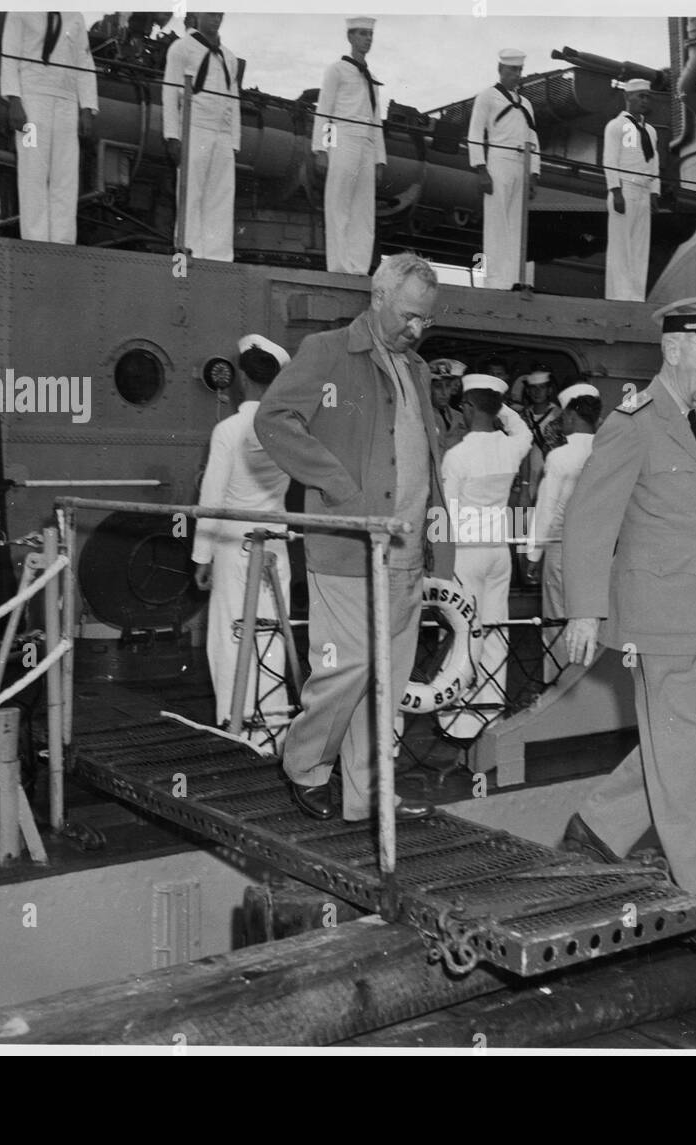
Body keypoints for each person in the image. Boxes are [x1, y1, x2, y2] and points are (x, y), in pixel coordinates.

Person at [559, 296, 696, 959]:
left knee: (680, 744)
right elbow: (589, 521)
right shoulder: (634, 424)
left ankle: (596, 828)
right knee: (687, 764)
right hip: (662, 622)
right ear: (676, 348)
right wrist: (583, 610)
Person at [254, 252, 451, 822]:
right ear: (379, 297)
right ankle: (305, 764)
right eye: (409, 316)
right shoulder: (327, 351)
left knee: (386, 683)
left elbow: (426, 454)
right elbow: (275, 419)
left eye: (426, 322)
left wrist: (439, 520)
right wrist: (338, 485)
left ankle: (367, 798)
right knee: (346, 669)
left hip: (407, 554)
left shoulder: (415, 368)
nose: (416, 330)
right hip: (347, 549)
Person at [193, 335, 293, 747]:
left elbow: (212, 499)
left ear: (242, 381)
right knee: (271, 634)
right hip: (275, 545)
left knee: (232, 636)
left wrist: (201, 556)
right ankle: (274, 729)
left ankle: (240, 728)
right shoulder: (289, 429)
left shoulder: (229, 429)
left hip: (233, 546)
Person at [436, 375, 533, 742]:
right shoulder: (512, 447)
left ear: (467, 407)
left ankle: (457, 719)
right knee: (495, 630)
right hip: (498, 551)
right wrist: (497, 405)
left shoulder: (458, 456)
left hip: (467, 552)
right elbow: (521, 428)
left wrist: (438, 564)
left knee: (464, 630)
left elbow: (446, 513)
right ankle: (489, 714)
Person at [1, 10, 98, 244]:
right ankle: (35, 241)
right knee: (32, 173)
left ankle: (62, 243)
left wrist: (87, 107)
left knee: (65, 178)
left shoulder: (74, 15)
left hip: (66, 102)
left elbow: (84, 61)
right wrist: (14, 99)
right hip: (32, 99)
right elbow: (10, 53)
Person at [525, 383, 601, 681]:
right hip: (601, 550)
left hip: (562, 548)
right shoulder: (610, 453)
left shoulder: (559, 457)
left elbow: (546, 510)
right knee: (593, 617)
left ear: (570, 416)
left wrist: (533, 554)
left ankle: (557, 685)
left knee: (557, 619)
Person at [162, 12, 240, 261]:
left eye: (220, 13)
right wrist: (172, 136)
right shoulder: (181, 48)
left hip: (222, 134)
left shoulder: (228, 56)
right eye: (210, 12)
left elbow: (234, 99)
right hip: (194, 128)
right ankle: (185, 260)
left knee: (221, 198)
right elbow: (170, 93)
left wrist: (234, 141)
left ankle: (218, 260)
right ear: (196, 13)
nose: (216, 17)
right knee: (190, 197)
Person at [312, 16, 386, 275]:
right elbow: (325, 111)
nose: (367, 39)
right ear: (351, 37)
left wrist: (379, 158)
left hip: (366, 142)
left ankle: (358, 266)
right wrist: (323, 148)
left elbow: (376, 120)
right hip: (343, 138)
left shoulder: (372, 78)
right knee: (339, 205)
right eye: (363, 34)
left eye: (370, 34)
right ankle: (339, 266)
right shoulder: (337, 70)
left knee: (363, 211)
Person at [468, 49, 541, 291]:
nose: (517, 75)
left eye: (520, 71)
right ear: (501, 70)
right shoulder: (487, 97)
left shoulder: (527, 104)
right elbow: (476, 133)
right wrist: (481, 168)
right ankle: (494, 281)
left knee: (516, 226)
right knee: (496, 225)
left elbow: (533, 138)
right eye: (512, 70)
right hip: (498, 161)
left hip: (522, 164)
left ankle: (513, 279)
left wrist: (534, 174)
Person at [604, 79, 660, 302]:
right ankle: (620, 297)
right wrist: (615, 190)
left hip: (644, 192)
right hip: (625, 188)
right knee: (621, 248)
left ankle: (636, 297)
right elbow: (610, 159)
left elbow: (654, 161)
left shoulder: (651, 130)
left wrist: (655, 192)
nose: (645, 101)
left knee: (639, 248)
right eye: (640, 96)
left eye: (647, 96)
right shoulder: (616, 126)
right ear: (628, 97)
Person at [512, 366, 563, 505]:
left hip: (549, 477)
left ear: (549, 390)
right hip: (526, 477)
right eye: (533, 388)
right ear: (528, 391)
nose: (537, 392)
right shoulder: (522, 417)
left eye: (542, 388)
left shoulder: (559, 416)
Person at [428, 357, 468, 453]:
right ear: (428, 388)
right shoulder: (421, 417)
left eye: (448, 386)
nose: (444, 392)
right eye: (438, 386)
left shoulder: (461, 418)